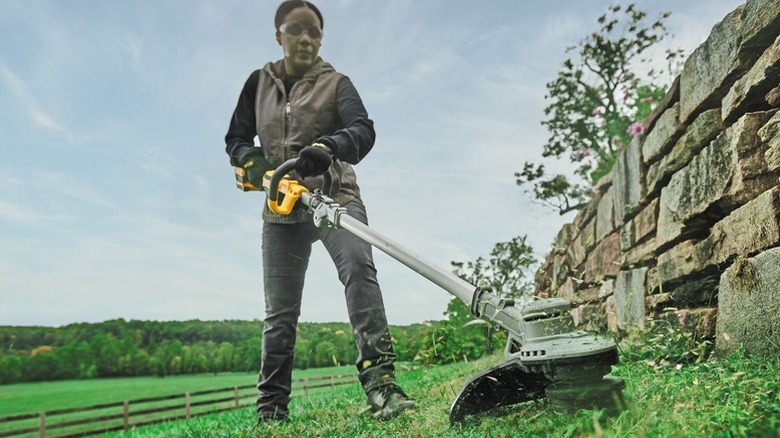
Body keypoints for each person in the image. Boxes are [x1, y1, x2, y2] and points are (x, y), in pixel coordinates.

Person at [224, 0, 415, 424]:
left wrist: (329, 148)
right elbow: (236, 139)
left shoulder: (337, 83)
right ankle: (271, 409)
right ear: (280, 35)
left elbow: (362, 130)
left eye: (314, 32)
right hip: (281, 209)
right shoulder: (257, 84)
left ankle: (381, 385)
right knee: (280, 312)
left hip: (335, 198)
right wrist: (254, 163)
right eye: (297, 30)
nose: (306, 38)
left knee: (359, 272)